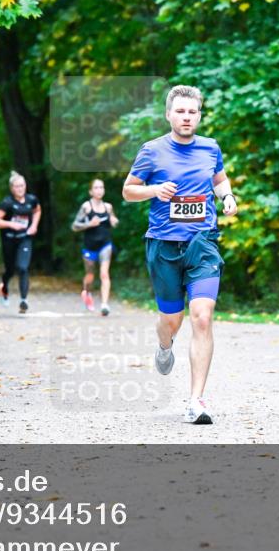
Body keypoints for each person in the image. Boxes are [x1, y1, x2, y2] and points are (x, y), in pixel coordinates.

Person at [122, 85, 237, 425]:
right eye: (181, 112)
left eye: (192, 112)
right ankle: (164, 344)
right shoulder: (152, 151)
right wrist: (154, 190)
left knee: (202, 316)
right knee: (171, 321)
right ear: (169, 114)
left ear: (199, 115)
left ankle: (196, 401)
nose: (187, 117)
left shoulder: (210, 148)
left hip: (203, 243)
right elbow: (128, 191)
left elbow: (219, 180)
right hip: (163, 245)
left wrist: (227, 197)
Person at [0, 171, 41, 313]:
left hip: (24, 238)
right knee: (10, 271)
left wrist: (34, 226)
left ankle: (24, 300)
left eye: (22, 185)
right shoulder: (7, 203)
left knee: (23, 268)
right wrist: (11, 224)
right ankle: (4, 289)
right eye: (17, 186)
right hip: (9, 240)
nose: (20, 189)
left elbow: (37, 211)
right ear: (12, 188)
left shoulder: (32, 200)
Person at [71, 179, 119, 316]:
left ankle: (104, 305)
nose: (99, 190)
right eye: (96, 188)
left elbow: (114, 222)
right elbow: (74, 226)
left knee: (104, 273)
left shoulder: (108, 207)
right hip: (90, 246)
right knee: (90, 275)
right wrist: (89, 224)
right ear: (91, 191)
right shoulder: (86, 207)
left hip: (105, 244)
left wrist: (114, 221)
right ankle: (86, 292)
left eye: (101, 187)